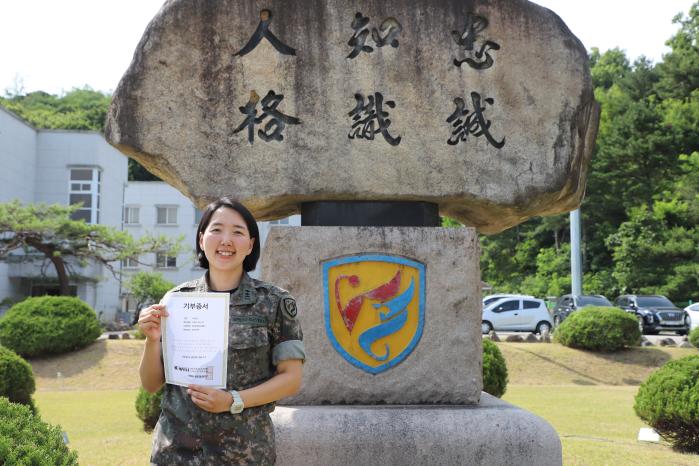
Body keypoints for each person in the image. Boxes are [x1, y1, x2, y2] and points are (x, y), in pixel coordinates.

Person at [138, 196, 305, 465]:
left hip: (243, 453)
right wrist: (152, 341)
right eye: (216, 230)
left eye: (237, 232)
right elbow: (151, 383)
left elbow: (291, 378)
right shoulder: (177, 301)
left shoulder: (274, 303)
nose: (226, 240)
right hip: (176, 452)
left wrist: (232, 400)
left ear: (250, 244)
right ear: (202, 239)